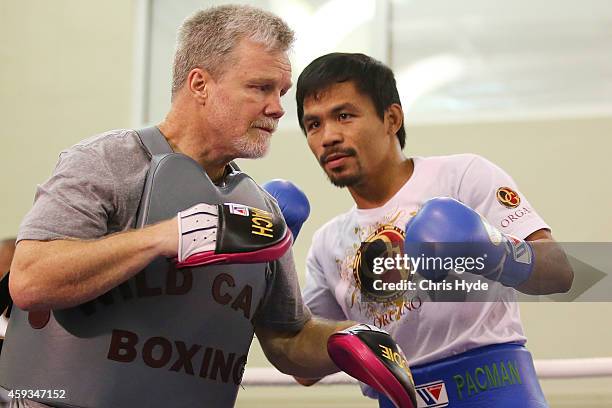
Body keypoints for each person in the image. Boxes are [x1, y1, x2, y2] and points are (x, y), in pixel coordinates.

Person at [0, 8, 414, 408]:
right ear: (199, 84)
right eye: (260, 88)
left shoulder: (260, 210)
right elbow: (31, 280)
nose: (278, 108)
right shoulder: (109, 162)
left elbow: (287, 338)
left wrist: (345, 340)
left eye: (281, 92)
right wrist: (170, 235)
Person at [294, 52, 573, 407]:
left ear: (391, 118)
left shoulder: (462, 177)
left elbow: (560, 271)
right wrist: (268, 272)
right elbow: (304, 370)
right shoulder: (328, 242)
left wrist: (495, 252)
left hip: (498, 391)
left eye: (344, 115)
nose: (328, 136)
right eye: (314, 124)